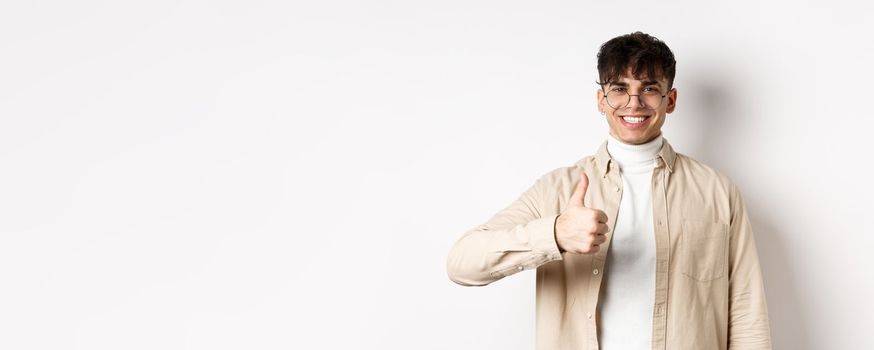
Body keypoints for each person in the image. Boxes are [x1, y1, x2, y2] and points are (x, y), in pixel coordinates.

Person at [446, 31, 772, 350]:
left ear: (669, 100)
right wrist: (554, 234)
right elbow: (462, 262)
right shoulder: (558, 188)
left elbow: (747, 315)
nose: (634, 103)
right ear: (601, 100)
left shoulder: (717, 191)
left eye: (649, 89)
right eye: (620, 89)